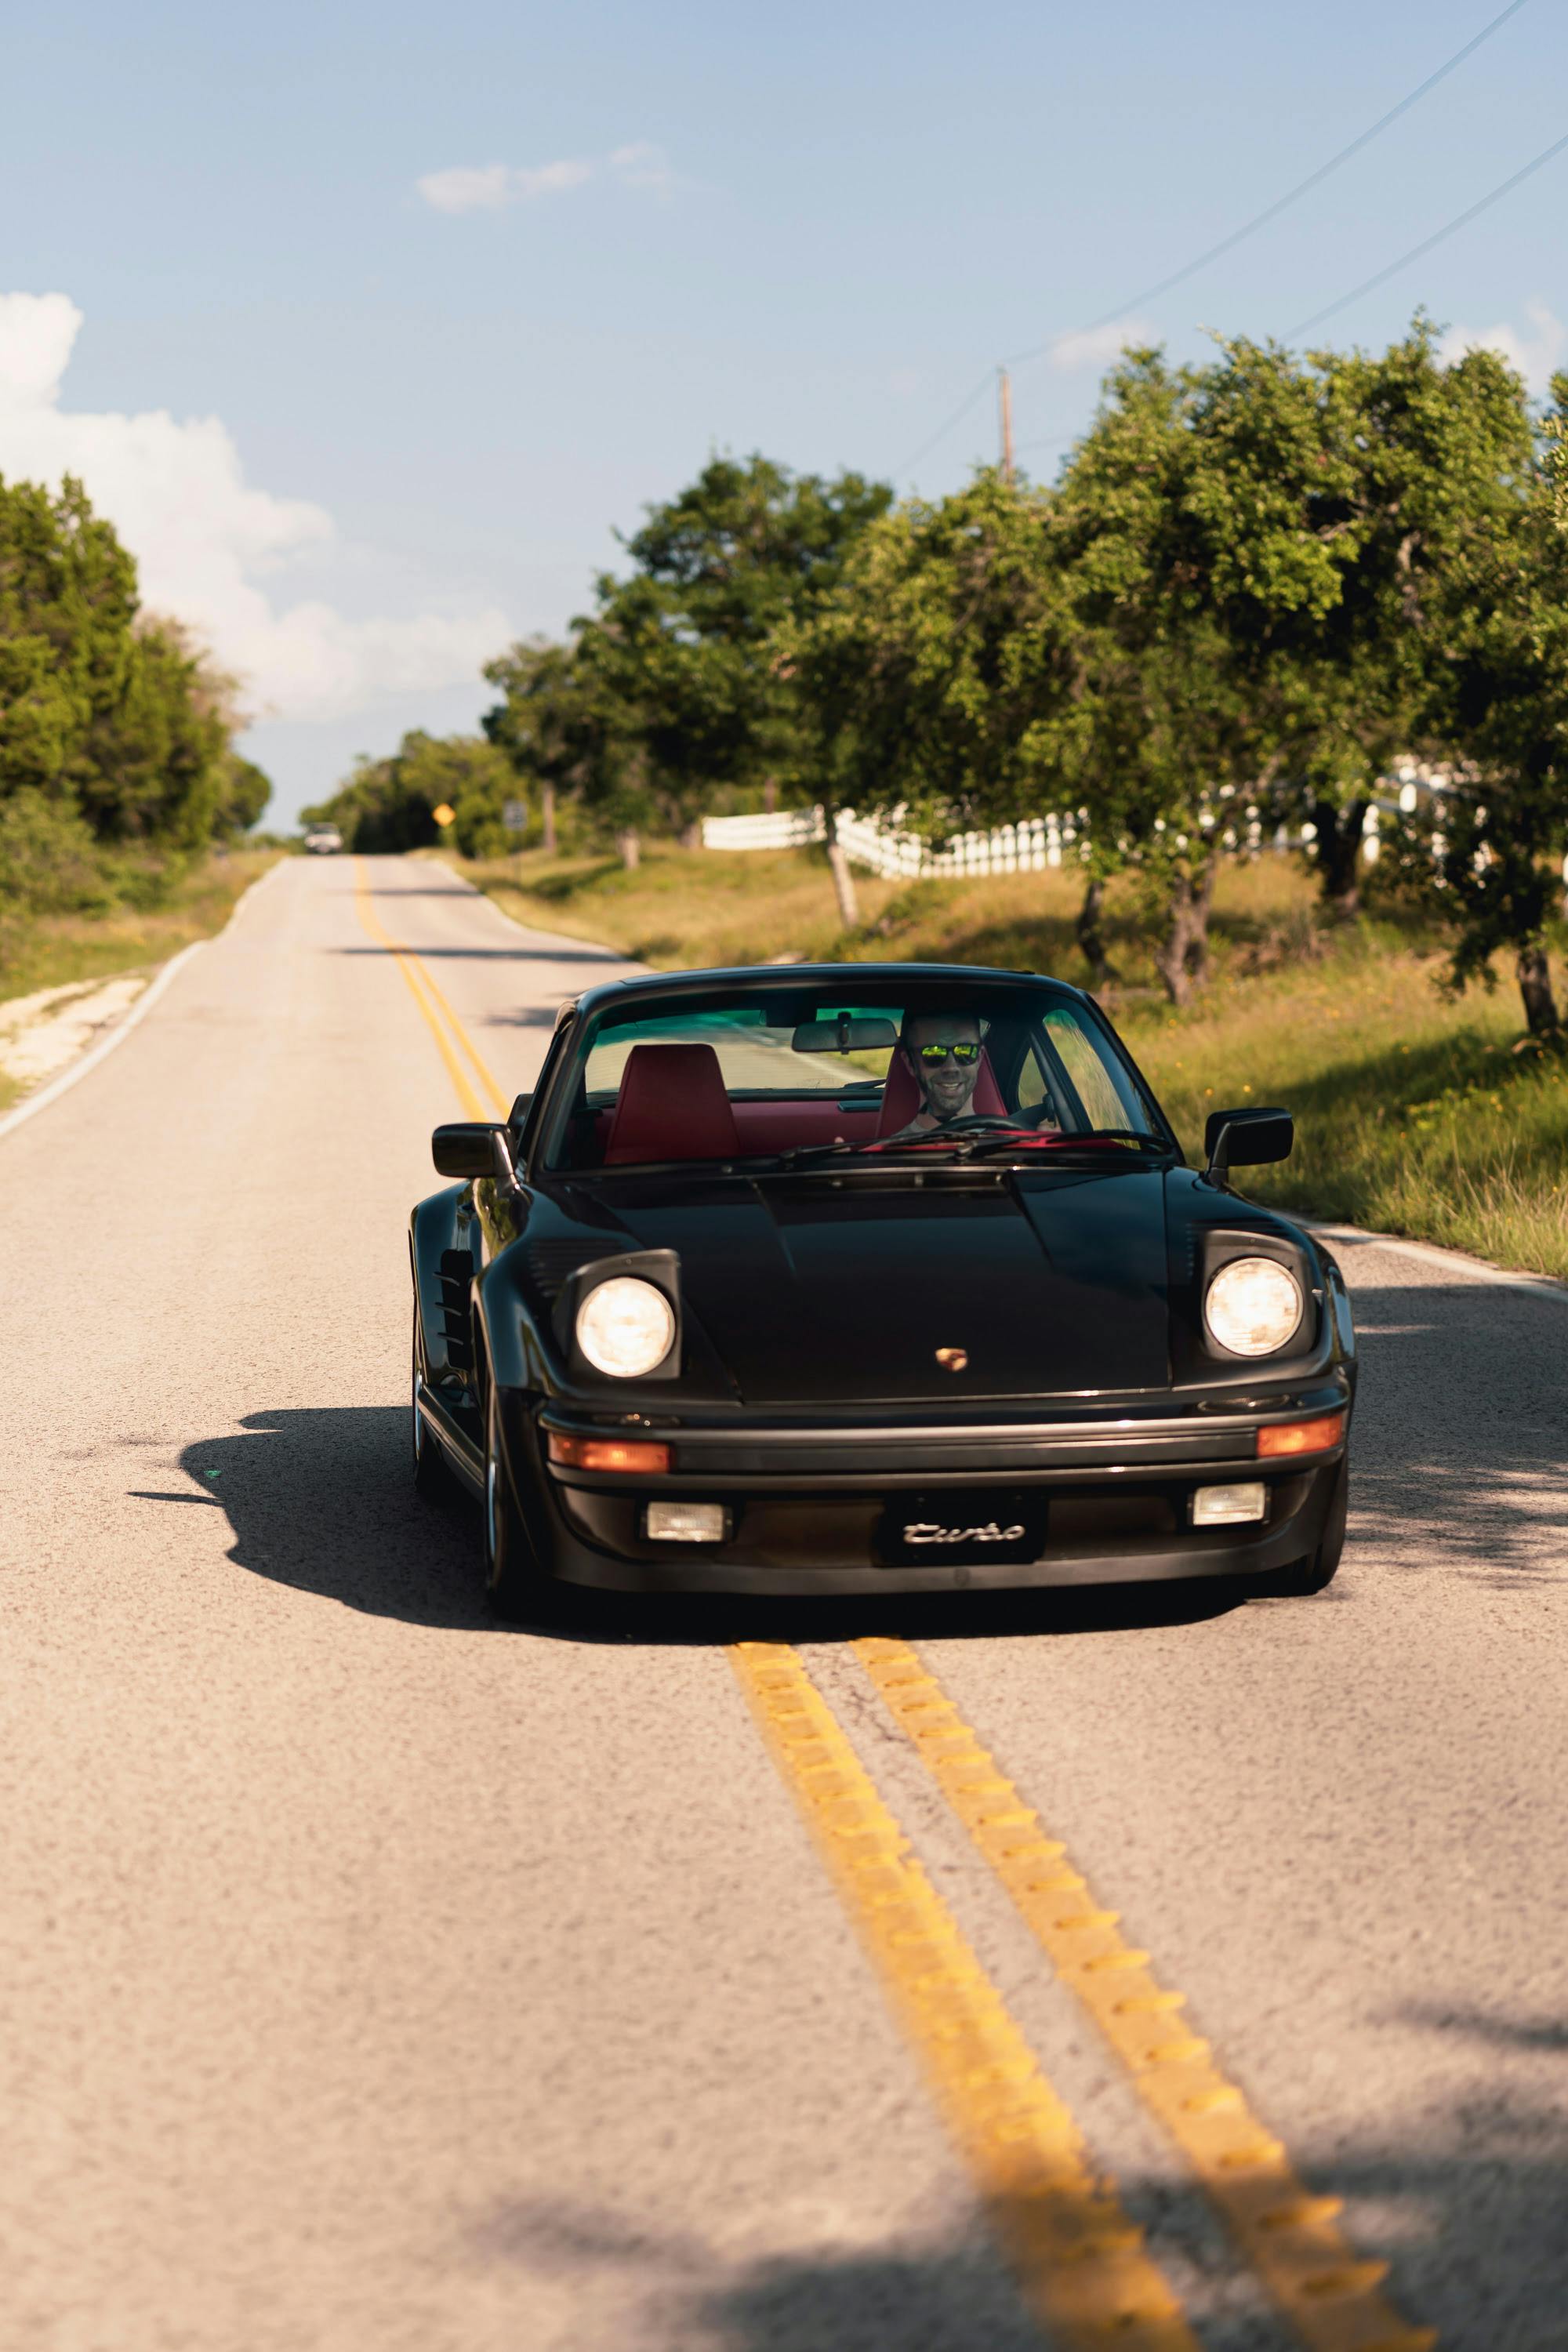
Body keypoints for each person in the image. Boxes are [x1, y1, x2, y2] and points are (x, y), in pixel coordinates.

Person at [895, 1011, 986, 1132]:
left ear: (979, 1058)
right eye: (934, 1053)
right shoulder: (884, 1151)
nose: (951, 1068)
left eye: (965, 1051)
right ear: (910, 1063)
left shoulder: (1012, 1146)